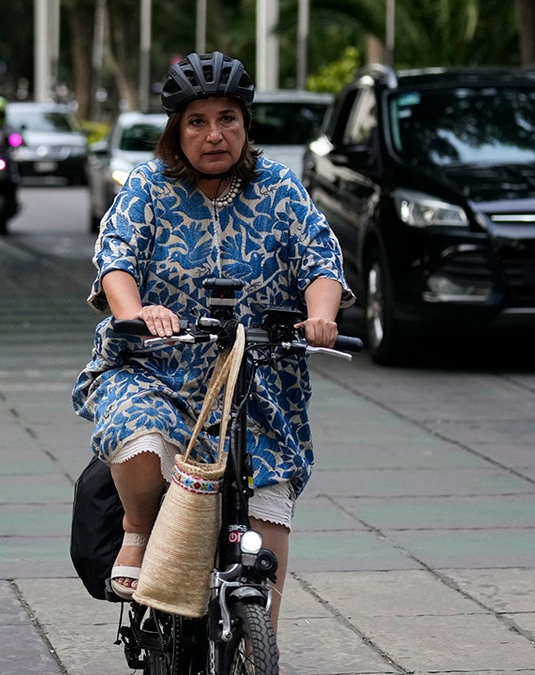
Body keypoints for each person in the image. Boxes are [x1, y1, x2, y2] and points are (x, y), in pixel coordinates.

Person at [71, 51, 353, 631]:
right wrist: (135, 313)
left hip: (257, 387)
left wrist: (320, 315)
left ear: (246, 124)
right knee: (138, 435)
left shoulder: (279, 187)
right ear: (177, 130)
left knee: (265, 579)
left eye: (227, 118)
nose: (214, 134)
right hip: (156, 370)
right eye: (197, 121)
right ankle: (139, 531)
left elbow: (321, 261)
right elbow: (116, 260)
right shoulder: (148, 186)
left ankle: (254, 643)